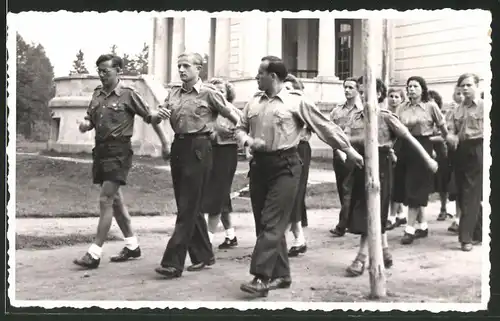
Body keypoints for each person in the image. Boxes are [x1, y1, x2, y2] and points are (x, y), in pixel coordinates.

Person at [235, 56, 364, 297]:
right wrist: (247, 141)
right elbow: (240, 127)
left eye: (260, 73)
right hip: (260, 167)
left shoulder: (296, 102)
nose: (256, 77)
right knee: (263, 222)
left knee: (272, 221)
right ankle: (282, 275)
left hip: (286, 166)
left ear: (273, 77)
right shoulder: (253, 102)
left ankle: (261, 277)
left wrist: (350, 151)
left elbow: (326, 128)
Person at [73, 54, 170, 269]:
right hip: (100, 150)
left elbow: (150, 116)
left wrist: (164, 141)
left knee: (105, 198)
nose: (101, 75)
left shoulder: (128, 94)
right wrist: (85, 124)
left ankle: (95, 253)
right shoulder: (97, 94)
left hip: (119, 151)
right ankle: (132, 246)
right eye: (99, 71)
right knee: (115, 200)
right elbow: (90, 118)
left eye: (105, 71)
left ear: (118, 71)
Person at [151, 52, 241, 279]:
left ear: (198, 69)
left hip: (200, 149)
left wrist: (240, 137)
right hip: (179, 148)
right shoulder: (173, 93)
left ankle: (172, 262)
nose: (181, 70)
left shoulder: (210, 93)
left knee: (188, 206)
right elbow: (154, 118)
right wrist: (156, 115)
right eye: (179, 65)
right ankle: (203, 255)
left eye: (186, 66)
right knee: (186, 205)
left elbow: (235, 116)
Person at [343, 77, 438, 277]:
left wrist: (428, 159)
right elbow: (345, 138)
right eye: (360, 91)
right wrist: (348, 151)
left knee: (373, 208)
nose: (362, 95)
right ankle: (384, 250)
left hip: (382, 165)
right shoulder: (356, 117)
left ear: (378, 94)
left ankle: (361, 257)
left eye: (366, 91)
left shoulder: (386, 117)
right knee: (365, 207)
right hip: (361, 164)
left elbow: (409, 138)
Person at [396, 76, 448, 245]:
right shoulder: (401, 107)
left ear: (422, 89)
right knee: (407, 188)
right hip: (404, 147)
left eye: (415, 86)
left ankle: (409, 230)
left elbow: (443, 127)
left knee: (415, 188)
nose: (411, 89)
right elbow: (394, 127)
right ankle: (423, 226)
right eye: (409, 86)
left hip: (423, 146)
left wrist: (444, 144)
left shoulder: (430, 106)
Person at [202, 78, 242, 250]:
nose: (217, 94)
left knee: (217, 194)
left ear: (228, 94)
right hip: (210, 152)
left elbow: (241, 128)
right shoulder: (208, 111)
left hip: (226, 153)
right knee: (221, 194)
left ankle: (207, 239)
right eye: (214, 91)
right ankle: (230, 235)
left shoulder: (232, 111)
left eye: (221, 91)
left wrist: (224, 132)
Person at [446, 73, 483, 251]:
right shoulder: (456, 109)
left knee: (471, 193)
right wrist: (451, 136)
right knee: (462, 192)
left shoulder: (485, 106)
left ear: (477, 85)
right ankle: (478, 232)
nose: (465, 88)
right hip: (460, 151)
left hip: (479, 148)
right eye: (462, 85)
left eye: (469, 85)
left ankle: (465, 238)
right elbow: (451, 129)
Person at [328, 77, 364, 237]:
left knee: (350, 188)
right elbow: (330, 131)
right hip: (339, 153)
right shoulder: (337, 110)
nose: (347, 90)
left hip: (356, 153)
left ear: (357, 90)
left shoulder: (361, 110)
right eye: (345, 87)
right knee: (341, 188)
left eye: (351, 87)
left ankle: (344, 223)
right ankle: (347, 220)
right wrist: (337, 150)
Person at [283, 74, 310, 257]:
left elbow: (315, 126)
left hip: (299, 150)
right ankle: (298, 238)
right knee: (287, 195)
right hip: (283, 151)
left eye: (289, 89)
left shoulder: (302, 106)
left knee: (295, 193)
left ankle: (289, 238)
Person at [428, 90, 454, 222]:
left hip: (441, 152)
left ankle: (443, 209)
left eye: (433, 100)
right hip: (427, 151)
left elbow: (446, 135)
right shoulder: (425, 116)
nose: (430, 102)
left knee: (443, 182)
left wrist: (429, 139)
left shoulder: (443, 116)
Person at [386, 88, 407, 230]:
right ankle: (400, 214)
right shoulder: (385, 113)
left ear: (402, 99)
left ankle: (392, 217)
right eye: (391, 96)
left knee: (396, 183)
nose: (394, 99)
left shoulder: (403, 114)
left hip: (400, 148)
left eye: (397, 97)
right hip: (388, 149)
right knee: (391, 182)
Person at [446, 86, 465, 234]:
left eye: (463, 93)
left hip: (470, 150)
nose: (461, 96)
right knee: (458, 188)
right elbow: (447, 131)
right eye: (458, 93)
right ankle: (458, 219)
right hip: (456, 154)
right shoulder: (452, 112)